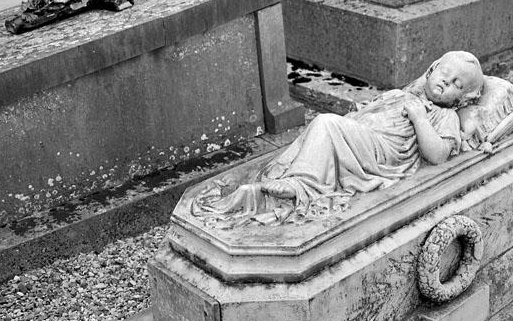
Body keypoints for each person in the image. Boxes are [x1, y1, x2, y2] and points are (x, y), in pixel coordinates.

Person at [194, 51, 485, 225]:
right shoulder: (402, 95)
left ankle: (301, 187)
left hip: (384, 155)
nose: (446, 82)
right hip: (362, 138)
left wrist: (421, 119)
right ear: (431, 70)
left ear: (461, 100)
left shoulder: (443, 116)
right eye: (445, 74)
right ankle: (282, 175)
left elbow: (437, 155)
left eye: (456, 84)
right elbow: (363, 114)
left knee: (326, 124)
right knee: (320, 131)